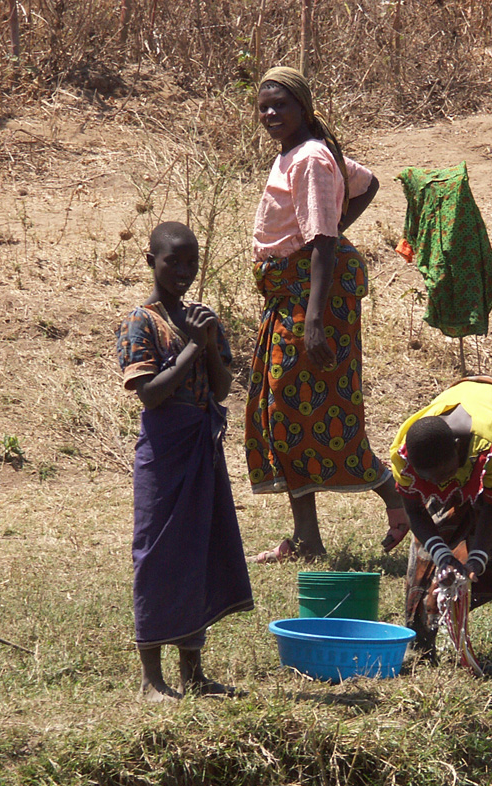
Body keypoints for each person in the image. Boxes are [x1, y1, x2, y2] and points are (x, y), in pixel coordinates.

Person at [245, 66, 409, 562]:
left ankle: (395, 495)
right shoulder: (303, 153)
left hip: (311, 300)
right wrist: (336, 222)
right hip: (292, 295)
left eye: (282, 105)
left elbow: (321, 242)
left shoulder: (312, 158)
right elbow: (367, 182)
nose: (271, 114)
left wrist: (313, 319)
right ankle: (308, 541)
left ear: (304, 109)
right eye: (264, 107)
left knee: (312, 410)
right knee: (285, 410)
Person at [116, 221, 254, 700]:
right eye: (173, 260)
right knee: (157, 554)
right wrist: (195, 345)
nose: (183, 270)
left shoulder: (202, 317)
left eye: (191, 261)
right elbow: (150, 395)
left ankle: (192, 674)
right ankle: (151, 679)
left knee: (197, 550)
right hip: (164, 447)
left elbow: (220, 389)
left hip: (201, 443)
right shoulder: (141, 321)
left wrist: (209, 339)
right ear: (150, 260)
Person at [390, 377, 492, 674]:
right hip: (457, 413)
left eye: (445, 475)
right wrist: (442, 554)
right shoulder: (404, 455)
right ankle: (419, 646)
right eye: (430, 479)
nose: (439, 485)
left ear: (459, 451)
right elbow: (415, 512)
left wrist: (477, 557)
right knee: (427, 543)